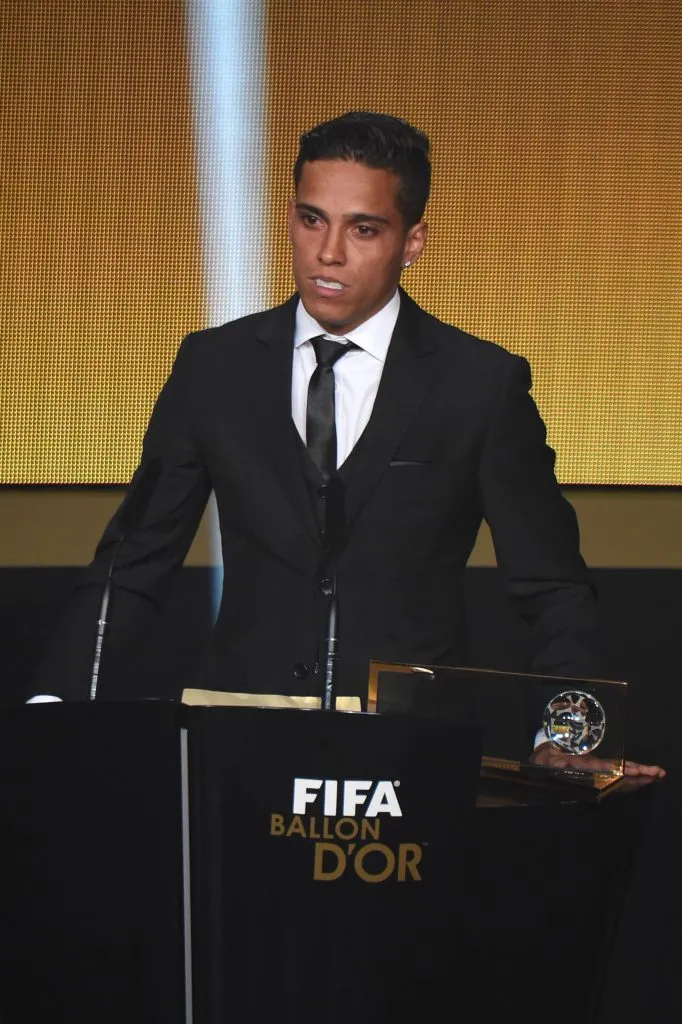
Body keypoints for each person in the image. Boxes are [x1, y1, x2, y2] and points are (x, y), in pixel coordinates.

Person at [32, 111, 663, 780]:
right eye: (311, 220)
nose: (328, 253)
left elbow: (553, 586)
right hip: (238, 744)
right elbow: (132, 564)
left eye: (363, 228)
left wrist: (573, 735)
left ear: (413, 240)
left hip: (414, 754)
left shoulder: (479, 384)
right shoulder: (214, 369)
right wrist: (54, 707)